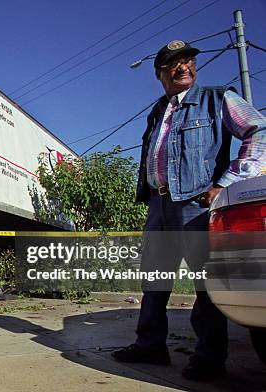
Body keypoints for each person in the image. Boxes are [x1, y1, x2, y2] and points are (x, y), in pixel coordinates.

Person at [111, 39, 266, 381]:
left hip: (195, 205)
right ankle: (150, 345)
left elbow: (259, 131)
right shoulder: (157, 110)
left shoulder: (217, 97)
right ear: (159, 74)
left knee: (204, 284)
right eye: (173, 64)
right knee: (153, 281)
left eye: (188, 61)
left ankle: (209, 359)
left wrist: (226, 182)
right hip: (159, 204)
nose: (183, 67)